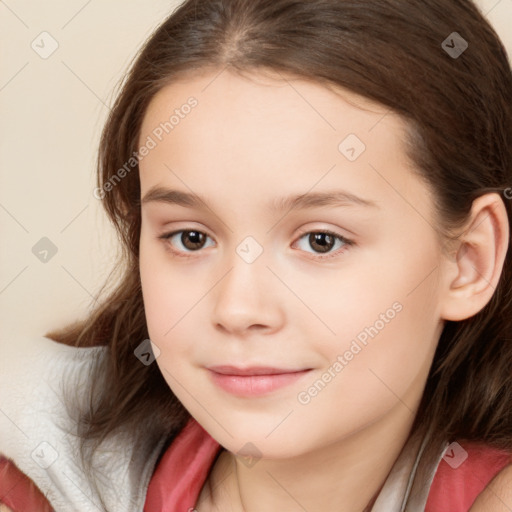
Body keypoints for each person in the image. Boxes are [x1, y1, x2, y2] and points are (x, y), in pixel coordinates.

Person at [1, 0, 512, 510]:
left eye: (320, 241)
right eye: (191, 238)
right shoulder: (30, 463)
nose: (238, 309)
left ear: (469, 261)